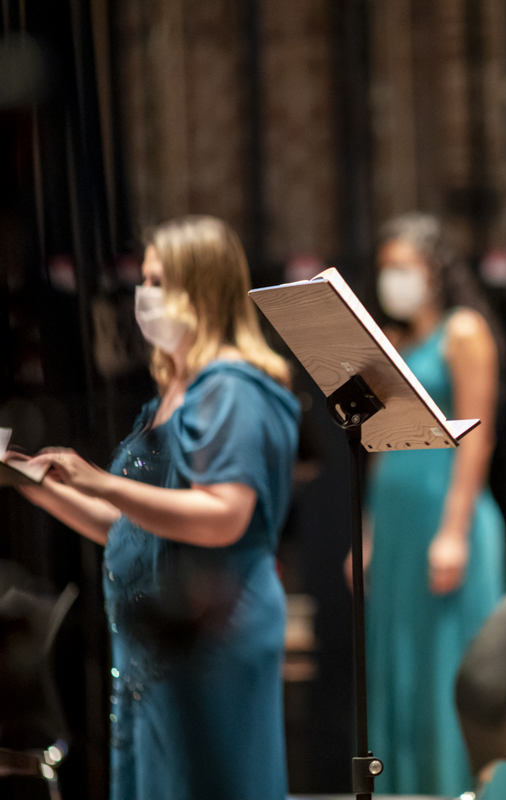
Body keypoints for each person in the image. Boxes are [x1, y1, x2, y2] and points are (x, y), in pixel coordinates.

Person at [14, 215, 298, 800]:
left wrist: (99, 481)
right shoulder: (176, 389)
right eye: (144, 279)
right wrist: (31, 484)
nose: (145, 296)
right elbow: (131, 529)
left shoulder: (233, 387)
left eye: (160, 280)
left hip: (213, 631)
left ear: (204, 288)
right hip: (158, 641)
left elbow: (224, 514)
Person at [349, 212, 506, 795]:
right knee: (401, 670)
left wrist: (454, 530)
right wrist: (366, 532)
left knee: (447, 671)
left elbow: (478, 433)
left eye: (404, 268)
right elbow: (383, 447)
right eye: (386, 269)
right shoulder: (394, 344)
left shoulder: (463, 330)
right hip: (396, 527)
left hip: (447, 518)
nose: (393, 279)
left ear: (435, 270)